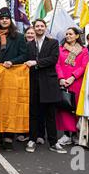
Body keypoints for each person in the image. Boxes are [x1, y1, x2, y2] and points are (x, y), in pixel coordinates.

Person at [0, 7, 28, 150]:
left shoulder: (19, 37)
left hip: (12, 75)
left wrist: (12, 62)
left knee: (11, 104)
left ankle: (9, 136)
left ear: (10, 21)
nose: (4, 20)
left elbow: (24, 55)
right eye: (2, 18)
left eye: (7, 18)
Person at [25, 19, 66, 154]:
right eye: (37, 26)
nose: (39, 28)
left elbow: (53, 59)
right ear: (34, 28)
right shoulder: (29, 45)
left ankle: (54, 142)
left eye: (42, 26)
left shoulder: (53, 43)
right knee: (34, 113)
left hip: (49, 83)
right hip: (33, 83)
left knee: (50, 114)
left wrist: (36, 62)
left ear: (45, 28)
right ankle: (32, 139)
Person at [55, 27, 89, 146]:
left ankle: (76, 134)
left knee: (76, 108)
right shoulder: (60, 49)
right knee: (64, 108)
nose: (68, 36)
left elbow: (84, 66)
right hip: (63, 82)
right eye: (66, 34)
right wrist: (61, 78)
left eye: (70, 34)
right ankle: (66, 135)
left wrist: (73, 77)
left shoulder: (84, 50)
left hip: (77, 82)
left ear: (76, 36)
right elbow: (57, 64)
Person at [16, 26, 36, 143]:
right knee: (22, 106)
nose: (30, 35)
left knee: (33, 107)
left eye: (32, 33)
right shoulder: (22, 45)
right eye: (28, 33)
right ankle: (22, 131)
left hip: (34, 78)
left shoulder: (38, 46)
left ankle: (35, 133)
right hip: (22, 78)